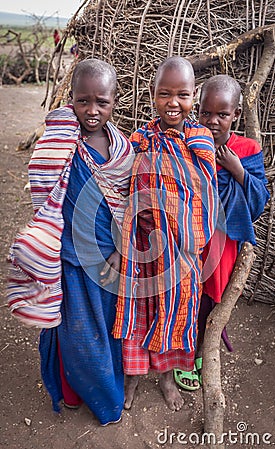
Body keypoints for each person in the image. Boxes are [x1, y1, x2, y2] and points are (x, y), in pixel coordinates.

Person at [7, 58, 135, 425]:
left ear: (115, 100)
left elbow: (129, 204)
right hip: (68, 259)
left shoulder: (123, 151)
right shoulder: (60, 142)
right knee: (75, 331)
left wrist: (119, 248)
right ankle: (74, 389)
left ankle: (107, 392)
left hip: (108, 260)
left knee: (106, 328)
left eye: (101, 102)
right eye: (83, 101)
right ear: (71, 99)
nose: (91, 111)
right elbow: (44, 191)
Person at [112, 56, 218, 411]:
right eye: (165, 94)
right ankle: (132, 377)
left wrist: (192, 237)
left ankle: (167, 377)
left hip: (182, 248)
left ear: (194, 97)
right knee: (140, 311)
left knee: (176, 312)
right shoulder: (140, 138)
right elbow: (127, 185)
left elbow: (206, 190)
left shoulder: (199, 139)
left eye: (183, 95)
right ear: (152, 95)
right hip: (142, 245)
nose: (174, 102)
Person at [175, 74, 270, 390]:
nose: (212, 121)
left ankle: (199, 351)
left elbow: (259, 200)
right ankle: (181, 352)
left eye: (222, 115)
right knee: (182, 295)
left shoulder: (246, 149)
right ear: (196, 111)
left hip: (221, 242)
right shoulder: (187, 142)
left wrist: (238, 170)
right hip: (187, 237)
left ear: (236, 116)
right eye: (205, 113)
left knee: (207, 300)